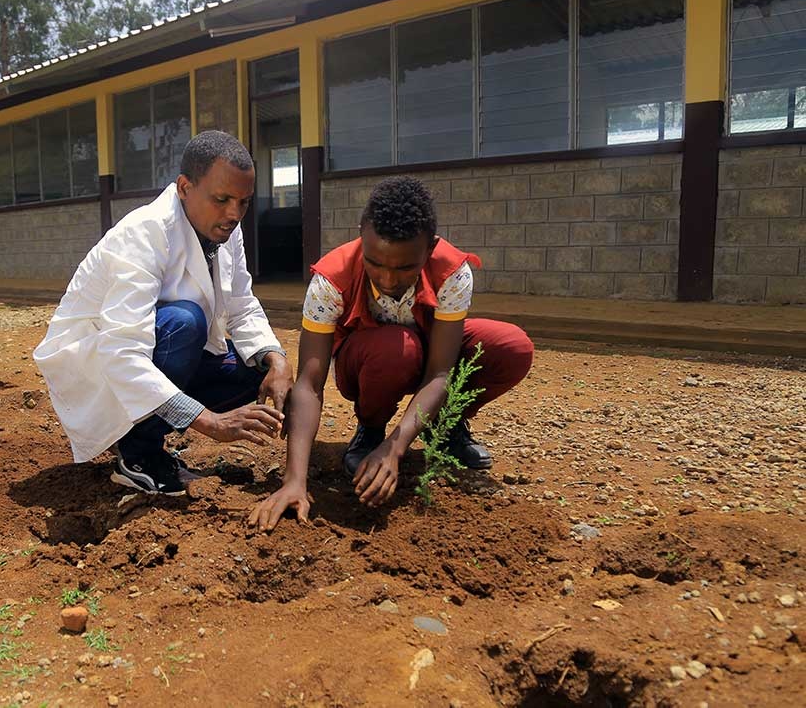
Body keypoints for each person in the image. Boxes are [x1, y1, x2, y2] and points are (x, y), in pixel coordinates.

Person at [250, 176, 534, 529]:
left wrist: (396, 448)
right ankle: (370, 429)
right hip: (371, 363)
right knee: (396, 349)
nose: (387, 278)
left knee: (511, 347)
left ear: (429, 248)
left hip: (429, 361)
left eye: (404, 268)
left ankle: (442, 428)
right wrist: (294, 480)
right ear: (361, 236)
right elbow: (309, 384)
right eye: (375, 263)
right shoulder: (331, 279)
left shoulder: (452, 271)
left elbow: (440, 373)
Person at [34, 130, 292, 496]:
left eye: (244, 202)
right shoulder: (144, 233)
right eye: (222, 199)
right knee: (185, 323)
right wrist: (210, 423)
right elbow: (122, 355)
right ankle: (138, 455)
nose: (234, 214)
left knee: (257, 371)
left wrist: (277, 360)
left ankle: (152, 436)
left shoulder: (224, 228)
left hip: (160, 354)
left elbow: (241, 303)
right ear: (185, 187)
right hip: (101, 367)